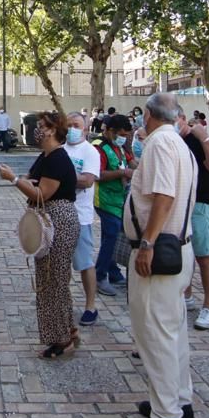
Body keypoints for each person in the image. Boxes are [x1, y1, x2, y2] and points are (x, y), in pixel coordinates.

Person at [126, 93, 197, 418]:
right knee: (173, 331)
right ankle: (178, 402)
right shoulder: (179, 143)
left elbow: (164, 196)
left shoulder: (158, 144)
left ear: (149, 116)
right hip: (179, 247)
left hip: (160, 252)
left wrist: (147, 243)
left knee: (156, 335)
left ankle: (167, 415)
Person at [0, 111, 80, 358]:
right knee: (51, 279)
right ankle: (66, 330)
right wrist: (23, 181)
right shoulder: (46, 156)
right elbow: (30, 181)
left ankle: (62, 338)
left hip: (59, 221)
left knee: (53, 280)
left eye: (43, 126)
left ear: (53, 130)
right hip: (48, 220)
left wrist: (13, 179)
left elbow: (40, 193)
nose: (38, 130)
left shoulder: (57, 158)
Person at [176, 109, 209, 330]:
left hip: (201, 203)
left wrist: (204, 137)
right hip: (179, 204)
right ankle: (187, 295)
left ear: (182, 119)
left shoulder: (196, 140)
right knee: (182, 252)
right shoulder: (170, 140)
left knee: (203, 255)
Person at [63, 112, 101, 326]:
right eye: (68, 125)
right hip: (59, 214)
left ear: (85, 128)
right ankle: (63, 303)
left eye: (76, 125)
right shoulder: (60, 149)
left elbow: (87, 181)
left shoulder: (90, 152)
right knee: (61, 263)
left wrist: (60, 178)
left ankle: (90, 306)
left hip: (81, 216)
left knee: (85, 263)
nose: (71, 129)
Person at [93, 114, 134, 296]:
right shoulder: (99, 147)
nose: (124, 138)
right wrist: (122, 172)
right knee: (112, 234)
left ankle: (114, 273)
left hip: (119, 199)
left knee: (110, 236)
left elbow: (132, 162)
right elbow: (98, 174)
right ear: (110, 131)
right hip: (104, 199)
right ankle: (99, 276)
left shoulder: (120, 146)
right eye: (121, 134)